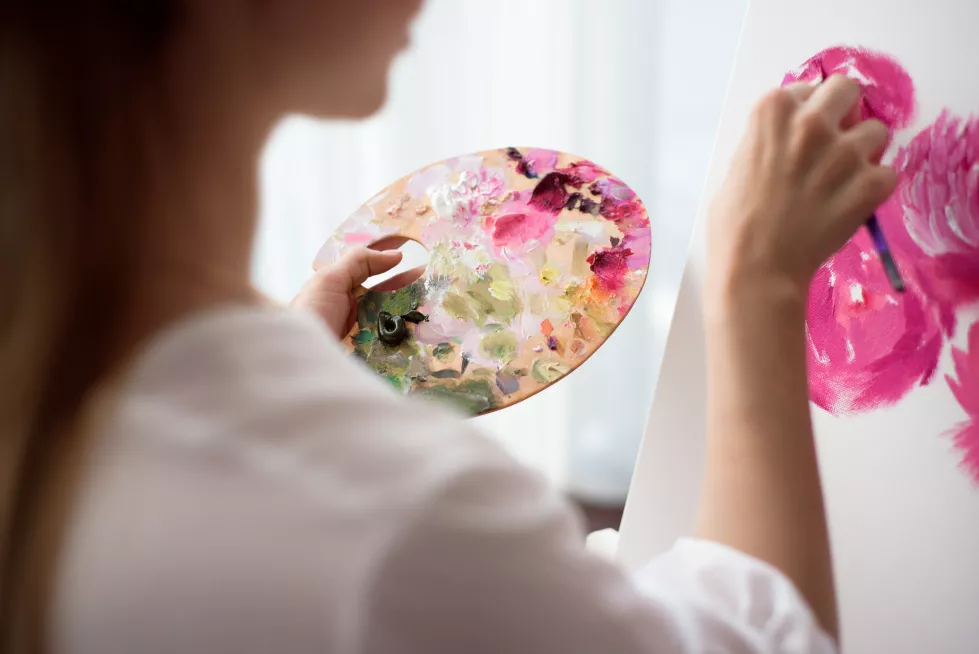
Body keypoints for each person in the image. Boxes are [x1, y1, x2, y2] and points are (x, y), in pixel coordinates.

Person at [0, 2, 896, 652]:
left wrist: (291, 365)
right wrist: (755, 283)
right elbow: (758, 636)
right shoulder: (393, 518)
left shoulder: (65, 386)